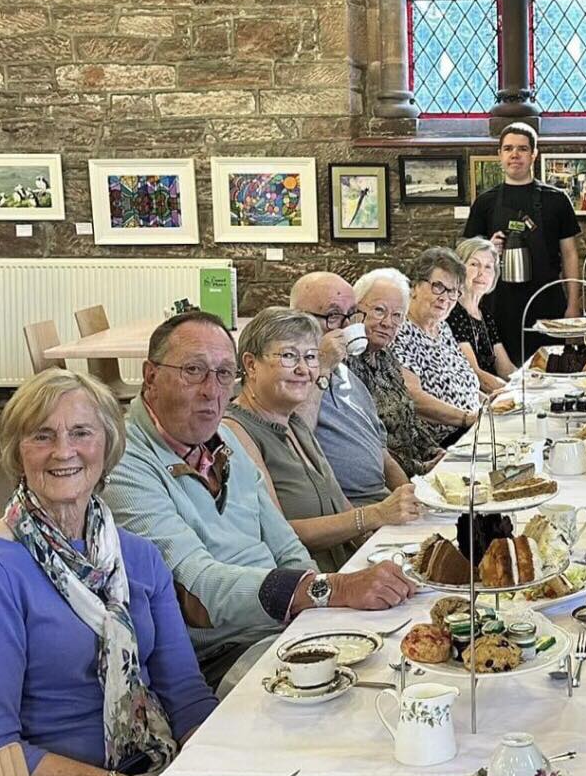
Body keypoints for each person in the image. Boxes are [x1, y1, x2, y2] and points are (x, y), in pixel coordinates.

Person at [103, 311, 415, 690]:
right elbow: (202, 589)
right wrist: (331, 590)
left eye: (222, 374)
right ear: (150, 376)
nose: (212, 391)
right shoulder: (123, 464)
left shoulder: (221, 438)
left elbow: (285, 543)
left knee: (405, 666)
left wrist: (314, 619)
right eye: (194, 370)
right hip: (227, 654)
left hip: (285, 628)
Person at [0, 369, 216, 776]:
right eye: (41, 436)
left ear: (108, 444)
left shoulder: (137, 556)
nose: (64, 451)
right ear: (17, 452)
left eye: (81, 432)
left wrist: (217, 765)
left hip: (157, 766)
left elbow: (185, 694)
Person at [220, 307, 419, 574]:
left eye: (311, 356)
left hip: (348, 572)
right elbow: (277, 534)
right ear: (251, 364)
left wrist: (399, 556)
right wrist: (377, 514)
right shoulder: (234, 431)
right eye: (289, 356)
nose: (304, 369)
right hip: (310, 591)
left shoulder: (295, 424)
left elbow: (341, 506)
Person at [288, 270, 411, 505]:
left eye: (351, 315)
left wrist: (410, 494)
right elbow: (294, 439)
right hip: (350, 512)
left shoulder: (347, 376)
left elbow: (381, 452)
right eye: (334, 315)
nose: (346, 328)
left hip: (382, 503)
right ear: (298, 318)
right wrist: (322, 366)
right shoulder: (288, 379)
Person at [462, 121, 582, 362]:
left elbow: (570, 254)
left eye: (522, 149)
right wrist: (488, 249)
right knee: (504, 374)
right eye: (508, 149)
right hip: (498, 305)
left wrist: (573, 304)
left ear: (534, 154)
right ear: (499, 154)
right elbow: (464, 257)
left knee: (553, 367)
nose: (514, 154)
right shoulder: (485, 202)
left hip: (547, 301)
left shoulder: (556, 200)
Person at [348, 268, 451, 476]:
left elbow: (410, 418)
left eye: (397, 315)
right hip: (390, 481)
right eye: (379, 310)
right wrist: (421, 468)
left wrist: (435, 451)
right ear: (354, 309)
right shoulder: (345, 366)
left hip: (419, 470)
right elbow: (372, 443)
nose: (387, 323)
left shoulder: (386, 357)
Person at [391, 248, 485, 436]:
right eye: (438, 286)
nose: (445, 298)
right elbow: (413, 398)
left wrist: (490, 404)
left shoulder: (442, 329)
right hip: (439, 443)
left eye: (453, 292)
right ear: (415, 286)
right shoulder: (398, 332)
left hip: (470, 429)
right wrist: (468, 418)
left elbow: (463, 384)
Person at [449, 237, 519, 395]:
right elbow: (476, 376)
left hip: (494, 394)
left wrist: (530, 381)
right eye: (474, 264)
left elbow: (505, 369)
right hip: (472, 401)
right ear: (458, 269)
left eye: (488, 267)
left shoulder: (484, 314)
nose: (482, 273)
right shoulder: (452, 313)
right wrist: (518, 393)